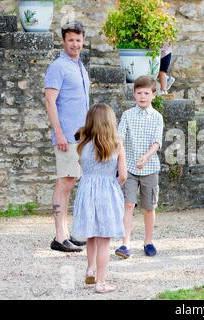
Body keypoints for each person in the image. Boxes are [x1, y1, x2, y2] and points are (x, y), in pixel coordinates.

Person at [44, 21, 90, 252]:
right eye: (70, 40)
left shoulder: (80, 66)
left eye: (78, 40)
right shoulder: (58, 67)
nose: (75, 44)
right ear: (64, 41)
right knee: (65, 182)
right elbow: (50, 101)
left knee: (71, 182)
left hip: (81, 137)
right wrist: (58, 133)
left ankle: (66, 232)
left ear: (83, 41)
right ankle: (59, 236)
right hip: (66, 137)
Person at [72, 104, 127, 294]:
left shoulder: (83, 144)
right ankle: (101, 283)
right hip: (107, 192)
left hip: (87, 192)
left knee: (91, 235)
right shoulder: (117, 143)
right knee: (104, 240)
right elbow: (123, 176)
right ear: (111, 122)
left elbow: (83, 168)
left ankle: (90, 268)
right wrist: (112, 185)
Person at [114, 76, 164, 259]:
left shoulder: (157, 117)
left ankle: (148, 241)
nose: (142, 96)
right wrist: (122, 160)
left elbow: (157, 142)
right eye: (139, 93)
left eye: (146, 93)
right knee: (128, 204)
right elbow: (120, 138)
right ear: (134, 94)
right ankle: (124, 243)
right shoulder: (127, 115)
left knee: (149, 208)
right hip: (130, 169)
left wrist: (146, 156)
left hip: (150, 167)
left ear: (153, 94)